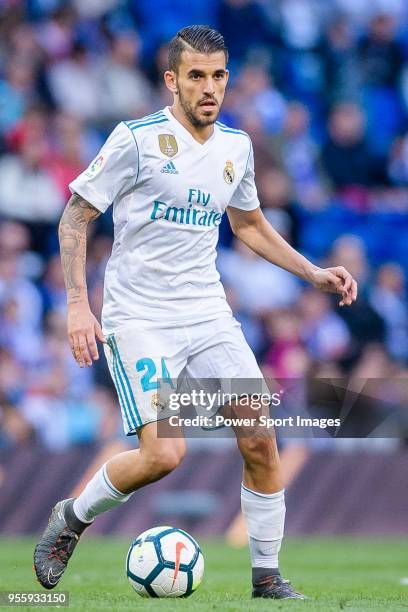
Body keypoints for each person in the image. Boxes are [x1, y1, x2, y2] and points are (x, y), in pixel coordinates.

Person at [33, 25, 357, 600]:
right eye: (197, 76)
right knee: (165, 454)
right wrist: (79, 307)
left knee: (259, 434)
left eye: (219, 75)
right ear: (171, 81)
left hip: (207, 311)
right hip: (140, 318)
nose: (210, 88)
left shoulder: (237, 147)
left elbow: (249, 224)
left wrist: (313, 272)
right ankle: (72, 517)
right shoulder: (135, 139)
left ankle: (266, 577)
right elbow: (75, 217)